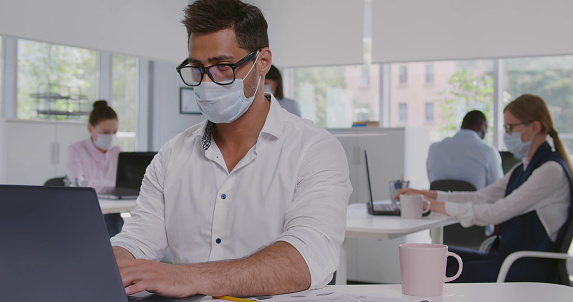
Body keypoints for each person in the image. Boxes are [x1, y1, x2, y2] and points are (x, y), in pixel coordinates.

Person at [110, 0, 352, 299]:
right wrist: (113, 261)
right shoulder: (173, 155)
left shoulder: (313, 149)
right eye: (197, 68)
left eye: (223, 67)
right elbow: (137, 240)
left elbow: (307, 257)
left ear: (262, 61)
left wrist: (185, 277)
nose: (208, 82)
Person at [397, 94, 573, 283]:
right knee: (435, 258)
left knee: (442, 271)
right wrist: (425, 194)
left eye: (510, 128)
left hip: (527, 269)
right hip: (506, 259)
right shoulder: (523, 168)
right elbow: (480, 197)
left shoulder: (550, 171)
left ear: (535, 127)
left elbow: (496, 212)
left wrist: (432, 205)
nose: (506, 134)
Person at [67, 100, 124, 237]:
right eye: (105, 132)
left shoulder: (117, 151)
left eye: (114, 132)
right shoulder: (76, 150)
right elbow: (79, 185)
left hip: (112, 212)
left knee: (117, 223)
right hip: (85, 210)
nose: (110, 137)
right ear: (90, 128)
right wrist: (112, 187)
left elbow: (122, 185)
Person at [427, 110, 503, 190]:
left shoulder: (434, 148)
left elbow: (432, 182)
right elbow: (498, 189)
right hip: (474, 202)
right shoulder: (488, 152)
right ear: (482, 126)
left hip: (439, 201)